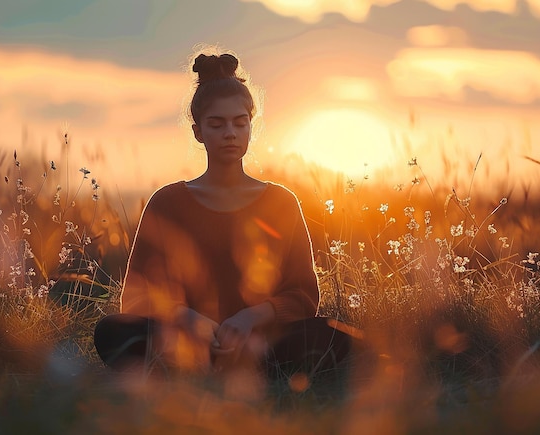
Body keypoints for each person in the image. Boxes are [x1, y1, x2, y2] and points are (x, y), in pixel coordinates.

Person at [94, 50, 350, 390]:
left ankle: (245, 365)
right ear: (199, 132)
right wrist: (189, 319)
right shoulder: (168, 202)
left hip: (261, 340)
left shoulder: (281, 202)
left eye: (239, 122)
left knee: (335, 334)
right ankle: (217, 367)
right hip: (187, 341)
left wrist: (250, 318)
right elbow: (138, 297)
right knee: (112, 331)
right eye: (217, 124)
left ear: (250, 127)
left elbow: (303, 295)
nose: (230, 133)